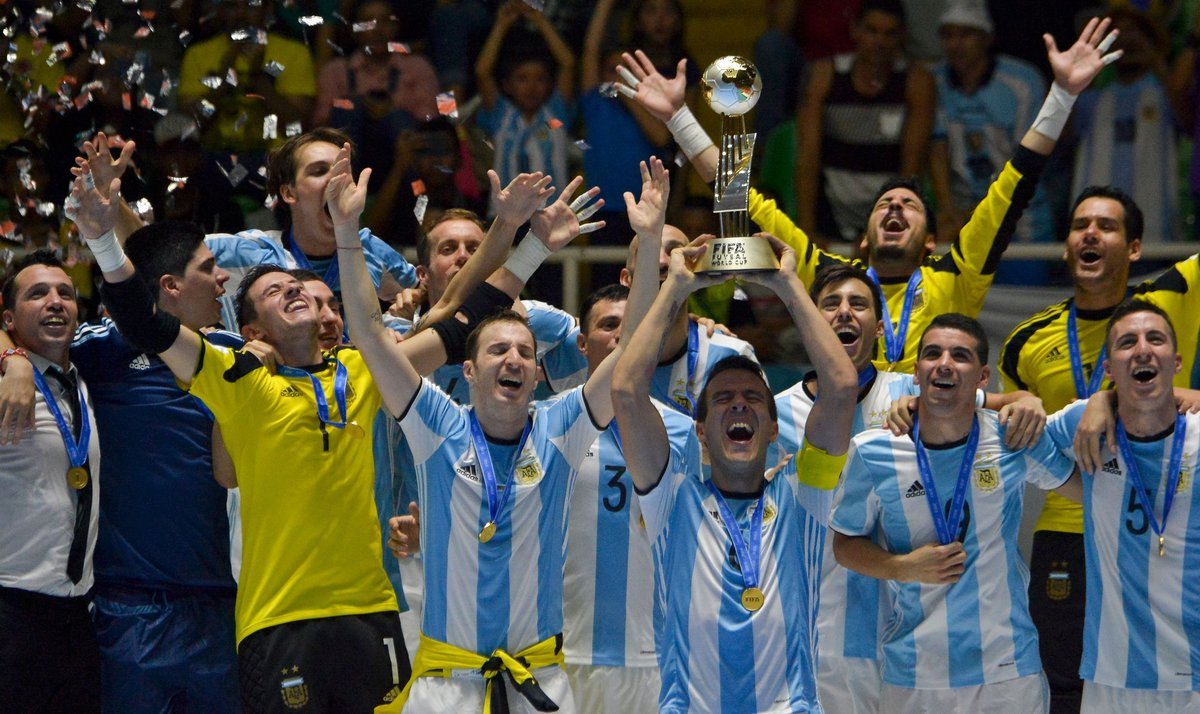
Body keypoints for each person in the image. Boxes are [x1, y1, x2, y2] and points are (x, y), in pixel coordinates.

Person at [69, 149, 559, 711]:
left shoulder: (364, 367)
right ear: (250, 327)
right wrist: (104, 241)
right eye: (275, 293)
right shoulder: (234, 377)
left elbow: (457, 323)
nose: (296, 291)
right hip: (278, 621)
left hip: (371, 612)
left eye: (300, 288)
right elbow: (145, 321)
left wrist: (534, 241)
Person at [614, 15, 1121, 373]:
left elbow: (1013, 185)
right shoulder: (830, 275)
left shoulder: (956, 276)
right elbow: (744, 202)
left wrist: (1063, 95)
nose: (896, 206)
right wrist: (678, 117)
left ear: (929, 243)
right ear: (861, 242)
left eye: (910, 205)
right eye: (885, 205)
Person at [339, 162, 664, 713]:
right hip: (445, 689)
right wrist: (347, 234)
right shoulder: (437, 425)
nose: (514, 358)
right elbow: (371, 338)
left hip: (540, 686)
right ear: (467, 372)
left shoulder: (562, 426)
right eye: (497, 350)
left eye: (525, 353)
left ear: (539, 374)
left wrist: (650, 240)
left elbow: (631, 348)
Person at [611, 232, 858, 711]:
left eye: (752, 399)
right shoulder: (671, 497)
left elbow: (843, 386)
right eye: (723, 399)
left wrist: (789, 286)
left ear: (771, 429)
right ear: (700, 432)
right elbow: (625, 391)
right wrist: (676, 286)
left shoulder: (804, 496)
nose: (739, 405)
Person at [998, 186, 1200, 712]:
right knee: (1069, 680)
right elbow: (1006, 422)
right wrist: (1017, 397)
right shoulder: (1029, 338)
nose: (1090, 233)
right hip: (1068, 532)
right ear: (1064, 247)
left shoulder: (1169, 301)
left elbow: (1148, 384)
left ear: (1134, 248)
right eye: (1079, 225)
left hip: (1172, 526)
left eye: (1106, 226)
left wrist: (1111, 398)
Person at [831, 314, 1080, 712]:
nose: (944, 363)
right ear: (917, 372)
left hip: (1007, 670)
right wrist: (903, 566)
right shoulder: (873, 451)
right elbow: (844, 545)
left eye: (959, 355)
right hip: (914, 673)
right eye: (933, 353)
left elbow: (1088, 493)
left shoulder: (1011, 438)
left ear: (983, 377)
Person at [78, 128, 420, 331]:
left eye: (343, 170)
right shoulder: (245, 253)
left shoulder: (372, 251)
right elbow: (155, 255)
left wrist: (407, 309)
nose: (336, 181)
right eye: (319, 171)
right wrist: (115, 199)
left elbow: (427, 301)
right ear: (288, 193)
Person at [1044, 301, 1200, 713]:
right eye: (1127, 342)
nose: (1143, 349)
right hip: (1113, 678)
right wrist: (1098, 402)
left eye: (1156, 339)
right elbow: (1021, 441)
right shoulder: (1086, 424)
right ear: (1110, 368)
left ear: (1177, 362)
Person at [0, 250, 102, 713]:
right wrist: (11, 356)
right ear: (8, 317)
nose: (55, 301)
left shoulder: (87, 379)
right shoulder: (6, 382)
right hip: (11, 608)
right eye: (36, 293)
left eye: (65, 292)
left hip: (78, 612)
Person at [929, 0, 1055, 285]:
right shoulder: (932, 81)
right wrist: (948, 211)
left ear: (987, 38)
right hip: (960, 228)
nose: (955, 44)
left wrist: (978, 215)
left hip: (1022, 228)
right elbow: (935, 150)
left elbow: (1029, 162)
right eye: (948, 35)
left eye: (966, 35)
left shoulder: (1023, 81)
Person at [794, 0, 935, 245]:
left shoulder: (917, 82)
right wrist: (807, 229)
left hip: (888, 213)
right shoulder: (824, 77)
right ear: (855, 31)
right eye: (872, 31)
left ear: (902, 37)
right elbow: (808, 157)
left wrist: (890, 227)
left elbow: (911, 168)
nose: (879, 42)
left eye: (889, 33)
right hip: (830, 212)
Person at [619, 225, 761, 413]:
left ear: (693, 268)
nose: (662, 262)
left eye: (674, 252)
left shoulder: (731, 355)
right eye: (647, 252)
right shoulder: (596, 349)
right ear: (626, 278)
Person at [475, 0, 575, 210]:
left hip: (551, 216)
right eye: (522, 78)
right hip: (504, 218)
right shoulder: (501, 114)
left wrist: (540, 20)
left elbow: (567, 64)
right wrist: (501, 25)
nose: (532, 86)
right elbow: (482, 72)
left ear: (549, 85)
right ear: (507, 85)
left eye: (540, 79)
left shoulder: (555, 113)